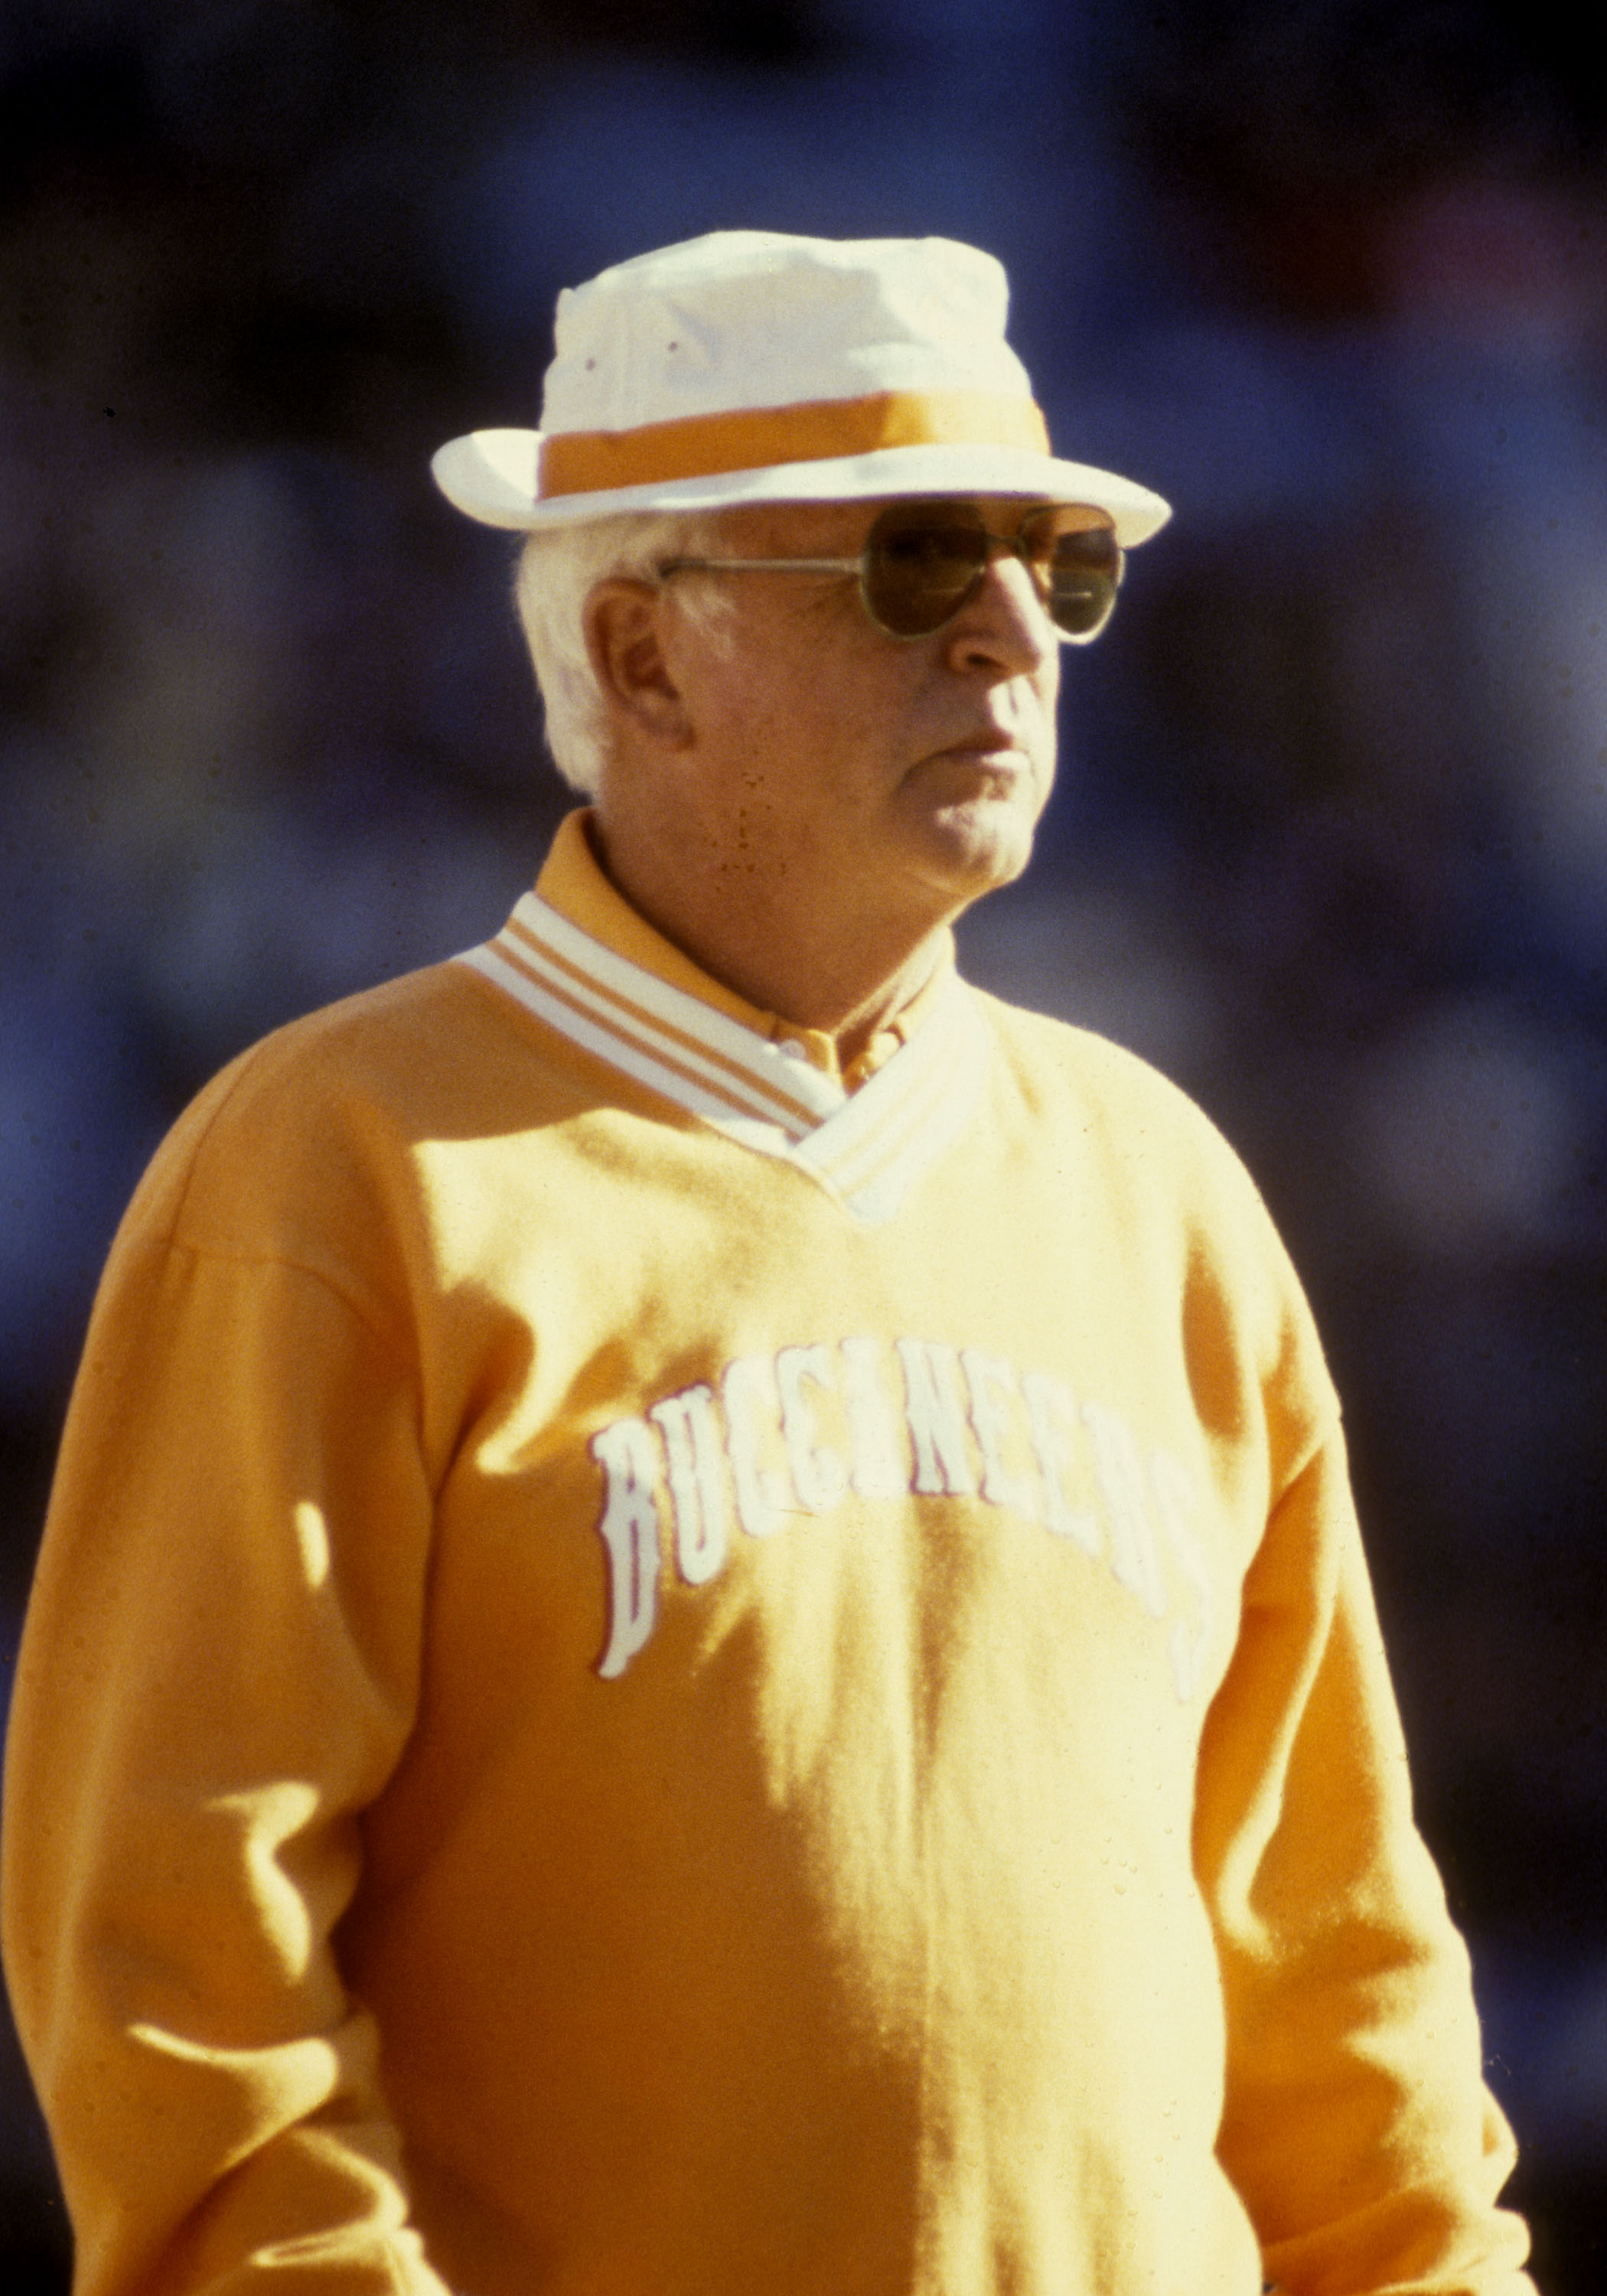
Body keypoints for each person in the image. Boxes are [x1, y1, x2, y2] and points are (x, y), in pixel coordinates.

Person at [2, 230, 1533, 2296]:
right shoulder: (338, 1163)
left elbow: (1332, 1961)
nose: (1009, 634)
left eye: (1054, 570)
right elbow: (179, 1953)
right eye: (915, 565)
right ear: (639, 658)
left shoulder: (1161, 1186)